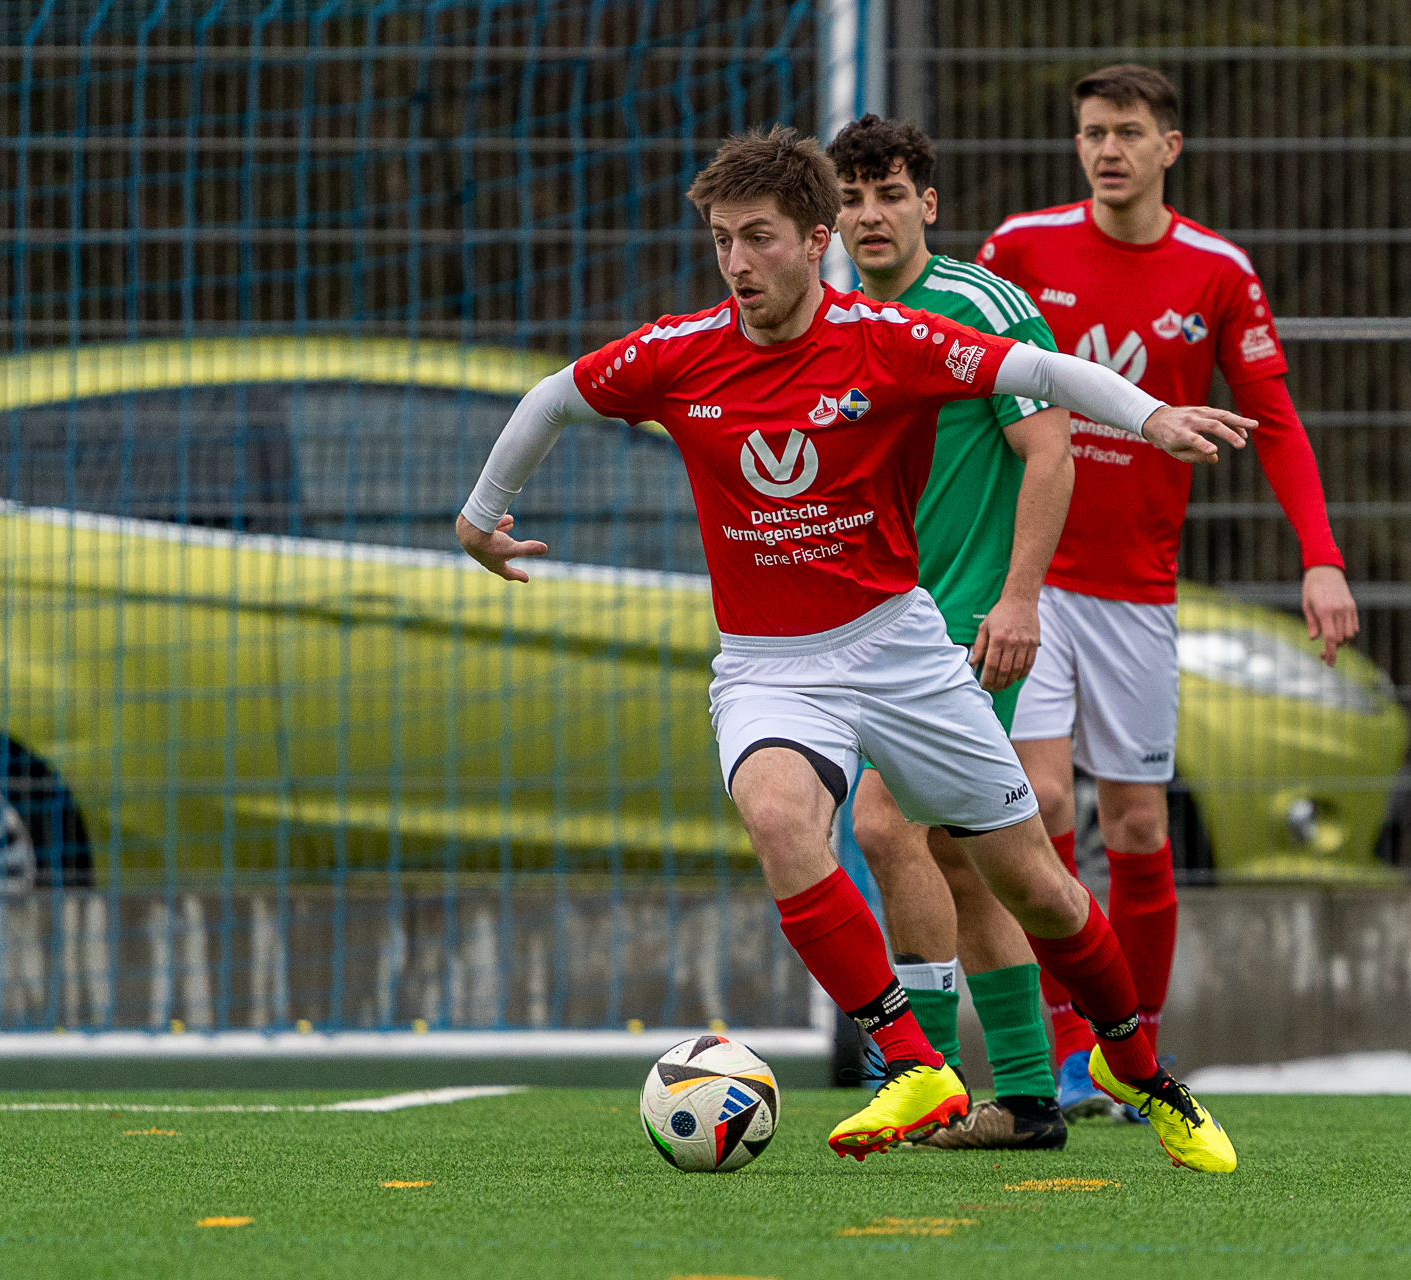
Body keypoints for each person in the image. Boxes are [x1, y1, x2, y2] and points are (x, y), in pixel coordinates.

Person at [456, 125, 1248, 1171]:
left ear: (814, 240)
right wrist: (481, 515)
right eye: (722, 239)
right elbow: (553, 396)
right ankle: (913, 1060)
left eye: (760, 238)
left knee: (1038, 887)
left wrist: (1150, 418)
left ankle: (1135, 1067)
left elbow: (1043, 371)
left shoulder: (887, 338)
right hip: (766, 664)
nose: (737, 263)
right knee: (780, 817)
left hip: (899, 649)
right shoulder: (677, 354)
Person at [975, 64, 1359, 1119]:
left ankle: (1129, 1047)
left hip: (1137, 592)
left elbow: (1273, 419)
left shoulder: (1217, 272)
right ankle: (1068, 1051)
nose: (1108, 150)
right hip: (1030, 579)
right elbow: (964, 379)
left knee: (1140, 825)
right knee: (1042, 804)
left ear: (1169, 148)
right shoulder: (1021, 248)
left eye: (1129, 132)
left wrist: (1320, 555)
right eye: (1093, 132)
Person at [826, 114, 1070, 1151]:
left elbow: (1050, 449)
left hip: (969, 624)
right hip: (877, 630)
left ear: (927, 204)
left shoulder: (980, 306)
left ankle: (919, 1072)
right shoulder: (829, 321)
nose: (870, 215)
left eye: (890, 194)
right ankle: (1026, 1097)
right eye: (851, 197)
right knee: (965, 862)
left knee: (886, 825)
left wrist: (1019, 600)